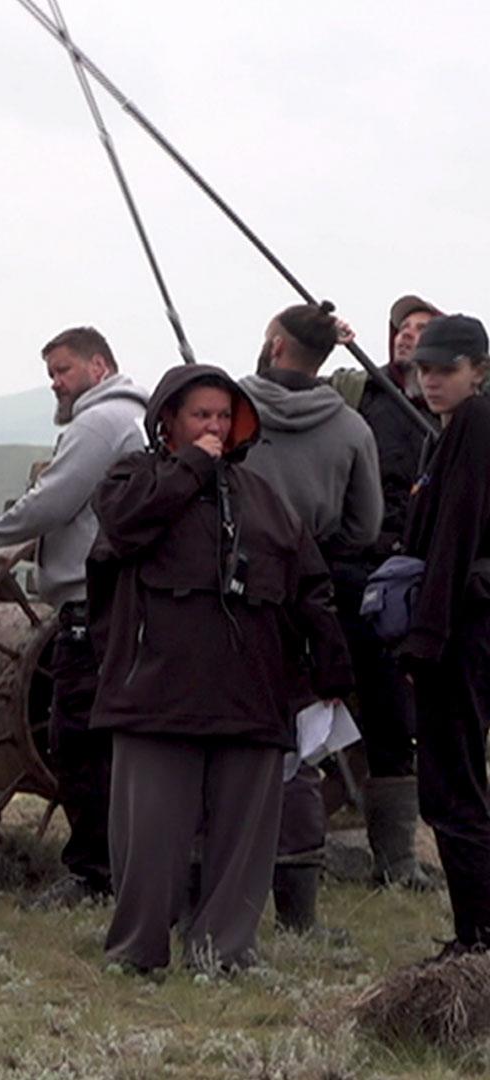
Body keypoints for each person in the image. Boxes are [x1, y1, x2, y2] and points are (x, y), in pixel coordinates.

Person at [90, 365, 350, 974]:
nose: (213, 426)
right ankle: (137, 955)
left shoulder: (264, 497)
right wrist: (192, 470)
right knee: (151, 840)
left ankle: (225, 953)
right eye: (199, 415)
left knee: (244, 842)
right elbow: (124, 527)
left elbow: (309, 584)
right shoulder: (134, 478)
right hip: (155, 695)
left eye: (222, 416)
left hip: (251, 698)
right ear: (169, 422)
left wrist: (331, 669)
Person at [0, 326, 148, 907]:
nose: (56, 384)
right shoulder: (128, 418)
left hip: (88, 604)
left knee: (78, 741)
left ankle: (93, 872)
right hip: (115, 600)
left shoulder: (98, 424)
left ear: (99, 366)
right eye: (51, 374)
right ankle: (123, 861)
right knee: (107, 740)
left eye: (63, 371)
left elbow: (53, 501)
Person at [237, 303, 378, 933]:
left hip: (231, 590)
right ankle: (298, 911)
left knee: (222, 737)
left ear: (274, 346)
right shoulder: (350, 428)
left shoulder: (229, 409)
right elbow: (365, 526)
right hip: (309, 594)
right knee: (299, 747)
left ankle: (211, 895)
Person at [325, 296, 444, 889]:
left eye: (421, 331)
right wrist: (328, 340)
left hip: (417, 573)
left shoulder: (456, 411)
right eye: (401, 329)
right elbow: (280, 384)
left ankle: (397, 859)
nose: (406, 338)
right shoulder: (359, 389)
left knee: (395, 712)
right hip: (351, 566)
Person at [398, 313, 490, 957]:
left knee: (454, 787)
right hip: (461, 626)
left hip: (461, 633)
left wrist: (425, 639)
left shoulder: (478, 424)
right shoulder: (456, 428)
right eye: (424, 369)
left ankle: (477, 941)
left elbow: (455, 538)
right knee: (455, 785)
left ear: (477, 370)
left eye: (445, 370)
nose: (431, 380)